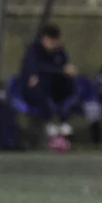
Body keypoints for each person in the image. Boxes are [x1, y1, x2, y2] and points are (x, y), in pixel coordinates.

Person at [19, 23, 78, 151]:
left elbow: (65, 68)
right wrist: (60, 70)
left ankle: (62, 121)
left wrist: (66, 70)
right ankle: (53, 123)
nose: (51, 44)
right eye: (49, 40)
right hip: (36, 92)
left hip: (54, 89)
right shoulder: (34, 51)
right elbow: (36, 71)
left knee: (71, 85)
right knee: (41, 89)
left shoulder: (59, 52)